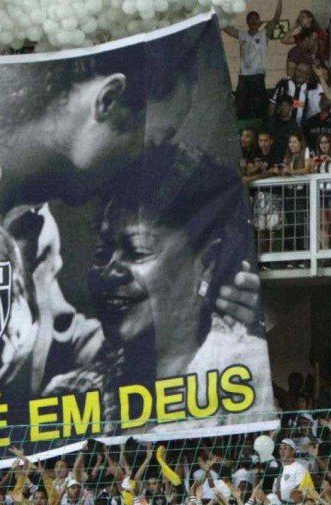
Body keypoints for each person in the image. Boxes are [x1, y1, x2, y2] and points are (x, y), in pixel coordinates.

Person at [87, 143, 273, 426]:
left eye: (137, 252)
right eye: (102, 253)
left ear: (207, 262)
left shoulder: (248, 370)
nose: (110, 272)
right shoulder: (82, 385)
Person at [223, 0, 285, 121]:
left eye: (255, 19)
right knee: (241, 106)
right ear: (247, 22)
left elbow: (276, 18)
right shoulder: (242, 35)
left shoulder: (264, 34)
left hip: (258, 75)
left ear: (259, 21)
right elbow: (226, 28)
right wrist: (217, 11)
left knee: (259, 106)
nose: (253, 22)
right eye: (250, 19)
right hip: (244, 76)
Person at [281, 9, 326, 75]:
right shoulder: (301, 35)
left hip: (314, 64)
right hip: (303, 64)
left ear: (310, 19)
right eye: (300, 17)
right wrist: (294, 27)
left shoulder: (317, 32)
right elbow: (284, 40)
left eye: (303, 17)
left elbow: (319, 48)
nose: (300, 19)